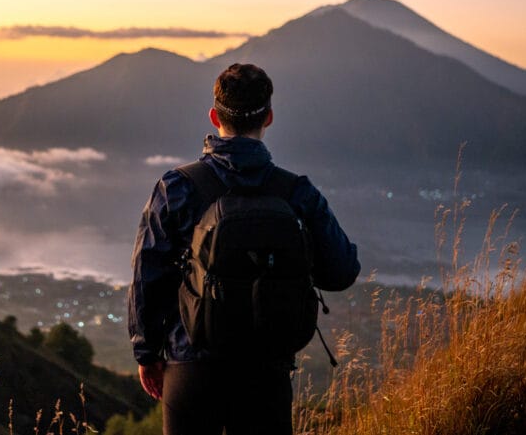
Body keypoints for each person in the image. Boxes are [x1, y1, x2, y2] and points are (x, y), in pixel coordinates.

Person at [127, 63, 360, 435]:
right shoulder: (296, 192)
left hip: (190, 368)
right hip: (266, 373)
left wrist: (147, 353)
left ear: (214, 116)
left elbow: (147, 278)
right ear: (268, 117)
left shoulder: (177, 187)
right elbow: (343, 270)